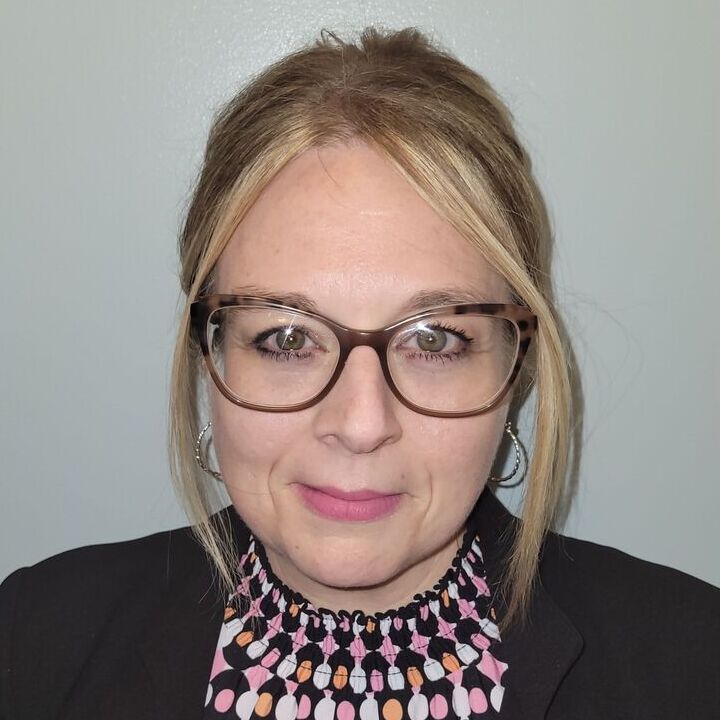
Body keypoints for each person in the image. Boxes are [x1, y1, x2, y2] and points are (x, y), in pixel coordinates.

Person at [0, 26, 718, 720]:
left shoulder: (694, 665)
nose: (361, 424)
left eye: (434, 339)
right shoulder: (31, 642)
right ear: (210, 356)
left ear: (516, 365)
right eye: (286, 337)